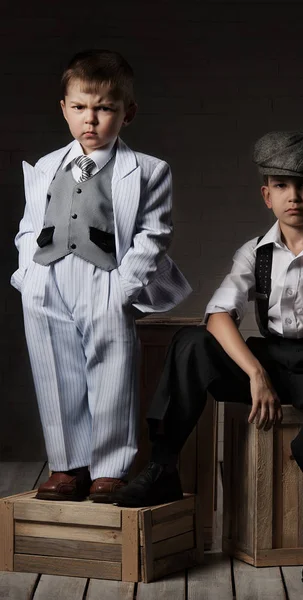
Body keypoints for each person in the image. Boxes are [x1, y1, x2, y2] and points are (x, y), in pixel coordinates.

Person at [113, 131, 303, 587]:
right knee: (190, 344)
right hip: (272, 357)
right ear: (266, 195)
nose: (294, 196)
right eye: (282, 185)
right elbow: (218, 315)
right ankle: (164, 465)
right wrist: (256, 373)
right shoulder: (254, 252)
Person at [11, 49, 191, 504]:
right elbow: (30, 227)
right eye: (79, 108)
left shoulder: (147, 170)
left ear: (127, 113)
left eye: (104, 108)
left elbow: (155, 234)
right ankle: (67, 466)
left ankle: (109, 468)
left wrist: (124, 288)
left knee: (111, 370)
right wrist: (27, 275)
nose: (90, 119)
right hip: (49, 277)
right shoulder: (46, 166)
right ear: (64, 109)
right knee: (54, 371)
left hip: (107, 277)